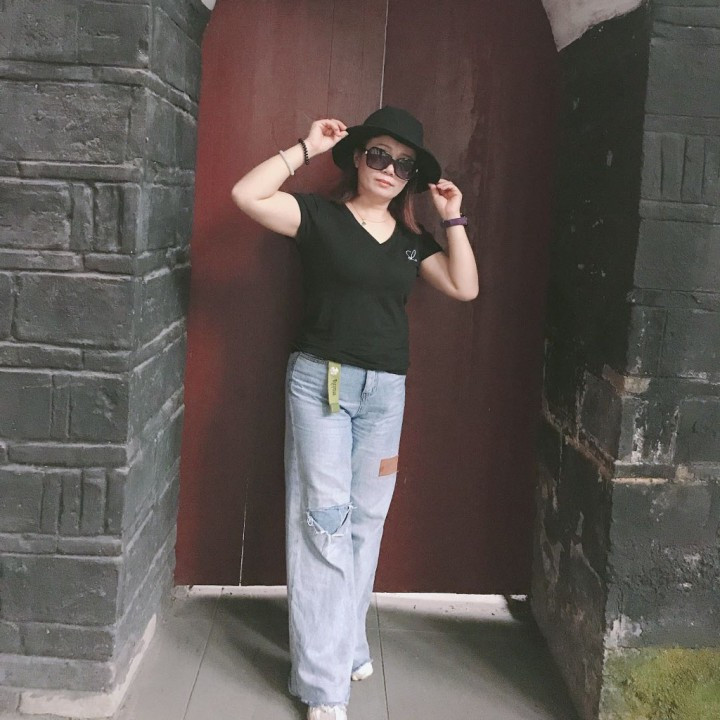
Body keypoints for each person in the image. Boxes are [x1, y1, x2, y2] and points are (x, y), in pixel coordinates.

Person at [231, 106, 478, 720]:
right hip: (322, 385)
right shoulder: (319, 217)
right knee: (324, 522)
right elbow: (246, 195)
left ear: (412, 177)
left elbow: (465, 286)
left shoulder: (412, 244)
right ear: (359, 158)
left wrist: (452, 218)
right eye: (379, 155)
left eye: (404, 164)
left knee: (366, 521)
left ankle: (344, 643)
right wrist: (305, 147)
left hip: (385, 394)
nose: (389, 169)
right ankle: (323, 687)